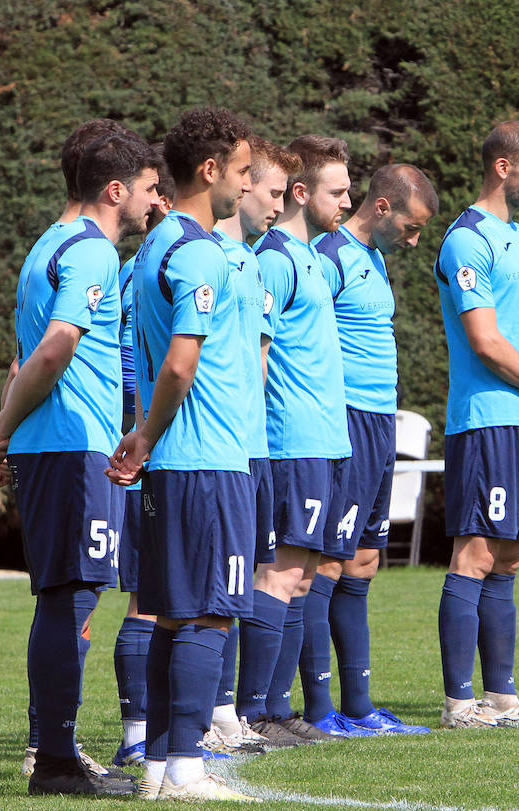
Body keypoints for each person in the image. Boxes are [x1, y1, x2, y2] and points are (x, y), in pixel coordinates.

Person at [0, 132, 161, 795]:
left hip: (49, 446)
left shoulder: (46, 245)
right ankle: (54, 759)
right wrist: (5, 429)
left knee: (62, 597)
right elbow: (52, 350)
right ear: (116, 190)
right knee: (72, 598)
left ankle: (53, 748)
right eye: (147, 186)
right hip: (76, 451)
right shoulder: (93, 253)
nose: (152, 200)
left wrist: (3, 427)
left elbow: (24, 355)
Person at [107, 106, 261, 802]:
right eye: (242, 171)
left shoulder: (152, 247)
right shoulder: (198, 250)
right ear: (211, 170)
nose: (246, 183)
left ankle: (161, 768)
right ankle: (189, 770)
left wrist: (147, 437)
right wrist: (146, 432)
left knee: (173, 613)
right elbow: (178, 364)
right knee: (209, 613)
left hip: (177, 466)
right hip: (203, 460)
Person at [433, 120, 519, 729]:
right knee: (476, 553)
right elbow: (485, 342)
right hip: (486, 421)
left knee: (511, 554)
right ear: (501, 168)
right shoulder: (467, 240)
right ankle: (460, 702)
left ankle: (502, 696)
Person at [310, 164, 439, 735]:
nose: (414, 241)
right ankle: (316, 712)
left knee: (364, 557)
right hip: (344, 422)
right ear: (382, 207)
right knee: (328, 560)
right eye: (411, 228)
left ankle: (358, 707)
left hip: (380, 424)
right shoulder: (328, 256)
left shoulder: (375, 258)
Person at [237, 135, 353, 746]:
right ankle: (253, 712)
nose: (347, 201)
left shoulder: (314, 257)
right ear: (302, 195)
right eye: (337, 191)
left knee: (303, 579)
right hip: (292, 441)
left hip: (327, 441)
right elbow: (258, 353)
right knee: (278, 577)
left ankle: (278, 710)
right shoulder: (275, 258)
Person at [207, 136, 301, 751]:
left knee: (250, 577)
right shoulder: (206, 255)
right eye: (261, 186)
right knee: (206, 590)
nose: (264, 199)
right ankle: (190, 725)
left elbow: (258, 358)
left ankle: (238, 715)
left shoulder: (248, 259)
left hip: (252, 446)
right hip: (214, 450)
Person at [109, 144, 176, 771]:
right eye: (151, 189)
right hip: (146, 449)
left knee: (159, 595)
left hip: (151, 443)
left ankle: (156, 729)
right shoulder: (144, 266)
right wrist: (139, 424)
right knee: (147, 598)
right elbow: (131, 360)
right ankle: (136, 731)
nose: (157, 199)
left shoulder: (148, 260)